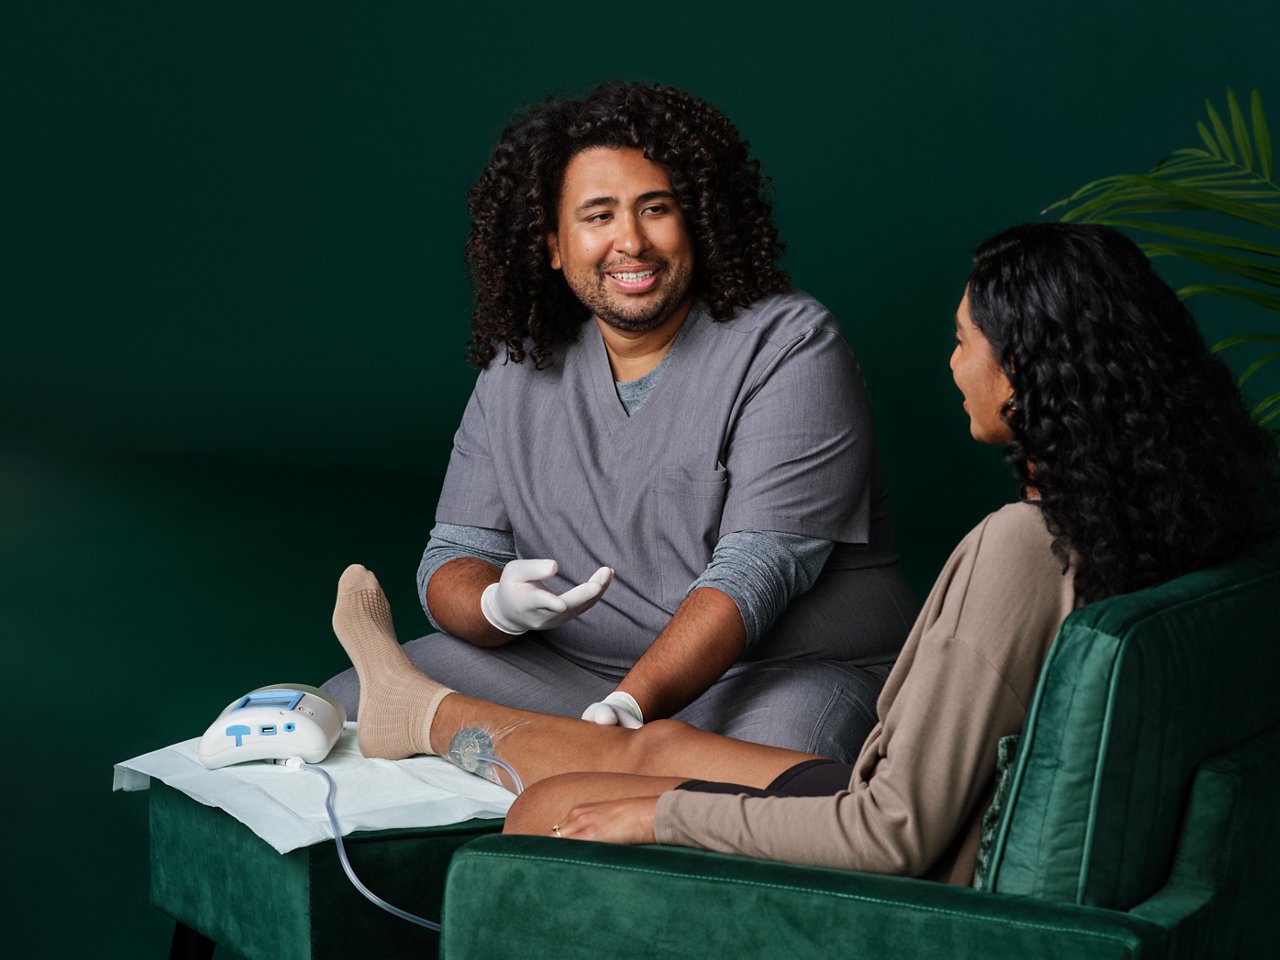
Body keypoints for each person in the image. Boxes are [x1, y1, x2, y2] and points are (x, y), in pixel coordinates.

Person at [327, 222, 1277, 884]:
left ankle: (420, 713)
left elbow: (892, 837)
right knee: (659, 742)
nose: (951, 365)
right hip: (911, 804)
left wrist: (659, 816)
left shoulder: (1022, 548)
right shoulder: (1167, 520)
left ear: (1030, 372)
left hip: (905, 852)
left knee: (555, 813)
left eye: (961, 342)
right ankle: (415, 708)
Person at [324, 81, 918, 761]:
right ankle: (541, 745)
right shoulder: (516, 365)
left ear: (694, 219)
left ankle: (534, 747)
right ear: (552, 244)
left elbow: (755, 572)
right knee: (344, 713)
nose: (630, 241)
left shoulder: (789, 345)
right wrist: (493, 607)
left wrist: (627, 709)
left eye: (655, 209)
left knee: (771, 774)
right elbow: (454, 558)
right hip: (572, 670)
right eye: (598, 216)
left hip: (780, 676)